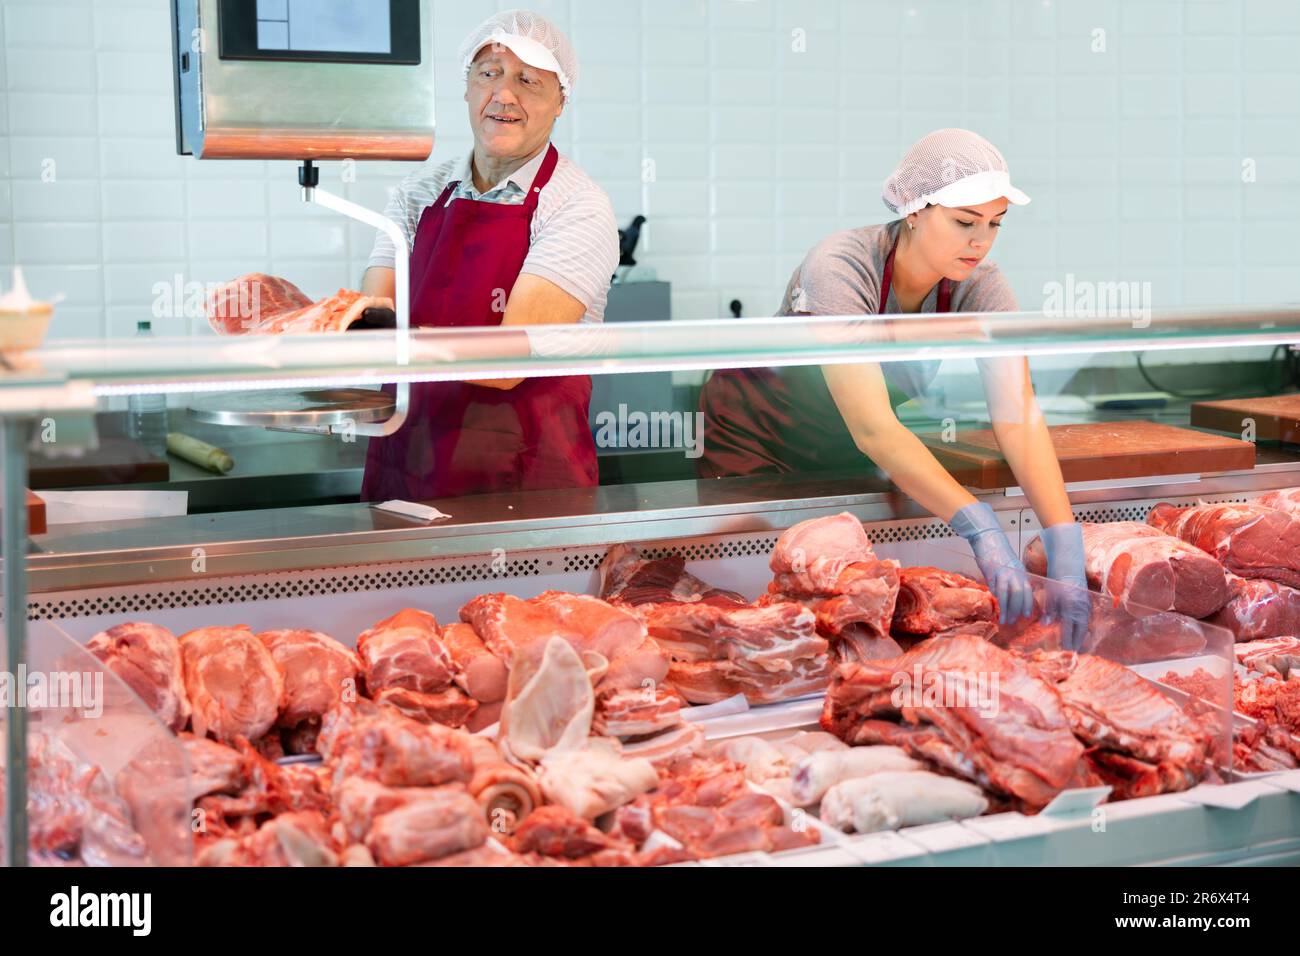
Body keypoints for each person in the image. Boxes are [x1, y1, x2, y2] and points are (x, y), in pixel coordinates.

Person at [698, 129, 1090, 645]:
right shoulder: (840, 266)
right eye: (964, 221)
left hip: (843, 445)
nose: (981, 240)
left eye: (995, 224)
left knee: (841, 603)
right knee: (758, 600)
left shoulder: (981, 284)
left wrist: (1064, 538)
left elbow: (1017, 415)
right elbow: (876, 428)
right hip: (756, 437)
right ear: (914, 211)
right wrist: (981, 528)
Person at [360, 9, 618, 501]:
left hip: (526, 484)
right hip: (403, 468)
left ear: (560, 100)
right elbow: (371, 324)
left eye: (528, 80)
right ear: (467, 88)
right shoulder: (418, 193)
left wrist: (386, 338)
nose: (504, 95)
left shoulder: (577, 206)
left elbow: (503, 364)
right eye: (489, 73)